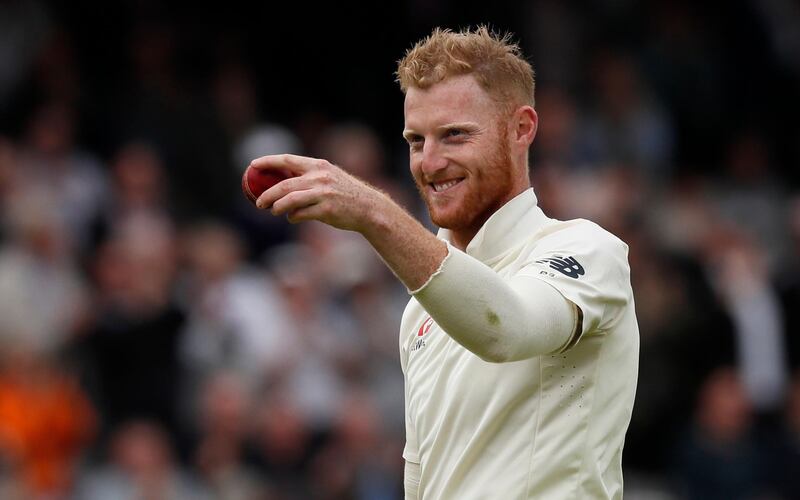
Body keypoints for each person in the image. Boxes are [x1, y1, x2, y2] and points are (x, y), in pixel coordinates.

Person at [250, 26, 639, 499]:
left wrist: (375, 212)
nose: (430, 163)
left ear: (522, 129)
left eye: (454, 135)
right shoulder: (423, 307)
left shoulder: (589, 249)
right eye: (416, 141)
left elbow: (504, 327)